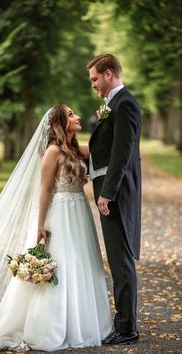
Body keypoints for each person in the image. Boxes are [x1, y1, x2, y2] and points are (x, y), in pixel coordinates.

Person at [0, 104, 112, 351]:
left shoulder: (76, 150)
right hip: (61, 215)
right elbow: (44, 190)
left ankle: (85, 323)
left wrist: (106, 121)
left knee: (81, 264)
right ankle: (51, 327)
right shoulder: (53, 151)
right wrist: (41, 224)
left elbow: (105, 150)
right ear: (59, 123)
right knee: (62, 266)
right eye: (70, 115)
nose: (77, 117)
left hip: (80, 214)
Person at [87, 54, 142, 345]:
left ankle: (127, 328)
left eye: (95, 79)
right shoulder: (115, 105)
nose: (94, 85)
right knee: (117, 259)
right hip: (111, 191)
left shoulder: (125, 105)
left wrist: (107, 193)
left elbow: (122, 154)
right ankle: (124, 323)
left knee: (120, 261)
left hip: (117, 195)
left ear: (109, 74)